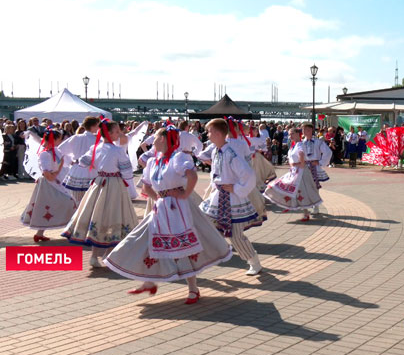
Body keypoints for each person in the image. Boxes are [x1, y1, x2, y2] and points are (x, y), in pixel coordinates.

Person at [104, 127, 233, 304]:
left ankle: (193, 288)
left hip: (178, 208)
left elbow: (192, 175)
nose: (152, 140)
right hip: (161, 208)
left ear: (164, 139)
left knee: (183, 246)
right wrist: (158, 198)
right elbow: (146, 186)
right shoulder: (153, 162)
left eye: (155, 137)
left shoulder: (178, 157)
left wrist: (185, 194)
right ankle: (149, 282)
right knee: (143, 240)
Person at [62, 119, 137, 268]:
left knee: (98, 215)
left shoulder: (96, 147)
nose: (119, 134)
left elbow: (83, 162)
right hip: (114, 185)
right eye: (116, 132)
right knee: (115, 215)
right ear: (108, 133)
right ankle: (107, 255)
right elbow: (127, 171)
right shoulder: (117, 150)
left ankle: (96, 256)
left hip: (99, 183)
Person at [199, 118, 264, 276]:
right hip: (219, 196)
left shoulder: (230, 153)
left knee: (235, 235)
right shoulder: (216, 150)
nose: (208, 134)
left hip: (232, 198)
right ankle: (211, 255)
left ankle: (254, 261)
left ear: (220, 133)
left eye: (210, 131)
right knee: (204, 222)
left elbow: (248, 174)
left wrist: (236, 188)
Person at [20, 128, 76, 242]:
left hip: (58, 181)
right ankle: (69, 230)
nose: (60, 141)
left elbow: (65, 162)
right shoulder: (45, 154)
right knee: (62, 204)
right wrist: (54, 176)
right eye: (58, 139)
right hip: (49, 184)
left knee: (62, 204)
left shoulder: (56, 151)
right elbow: (47, 172)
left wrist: (74, 163)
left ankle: (43, 233)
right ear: (53, 140)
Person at [263, 127, 323, 222]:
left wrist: (296, 164)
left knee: (299, 192)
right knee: (293, 191)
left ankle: (305, 213)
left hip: (300, 173)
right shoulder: (294, 145)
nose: (290, 136)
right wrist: (293, 165)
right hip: (295, 171)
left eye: (292, 134)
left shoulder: (299, 145)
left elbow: (302, 158)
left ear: (297, 134)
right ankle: (293, 207)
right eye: (289, 134)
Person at [58, 116, 101, 203]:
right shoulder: (98, 140)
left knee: (77, 200)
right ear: (93, 126)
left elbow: (60, 150)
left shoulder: (76, 137)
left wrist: (70, 162)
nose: (98, 128)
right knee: (92, 200)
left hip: (77, 170)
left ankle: (77, 215)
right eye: (97, 125)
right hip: (92, 170)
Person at [301, 123, 332, 216]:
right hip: (305, 166)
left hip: (314, 166)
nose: (303, 131)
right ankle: (309, 204)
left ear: (310, 130)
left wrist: (320, 162)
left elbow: (328, 152)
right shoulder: (302, 142)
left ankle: (316, 206)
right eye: (303, 129)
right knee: (305, 186)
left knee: (314, 186)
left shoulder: (318, 142)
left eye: (305, 129)